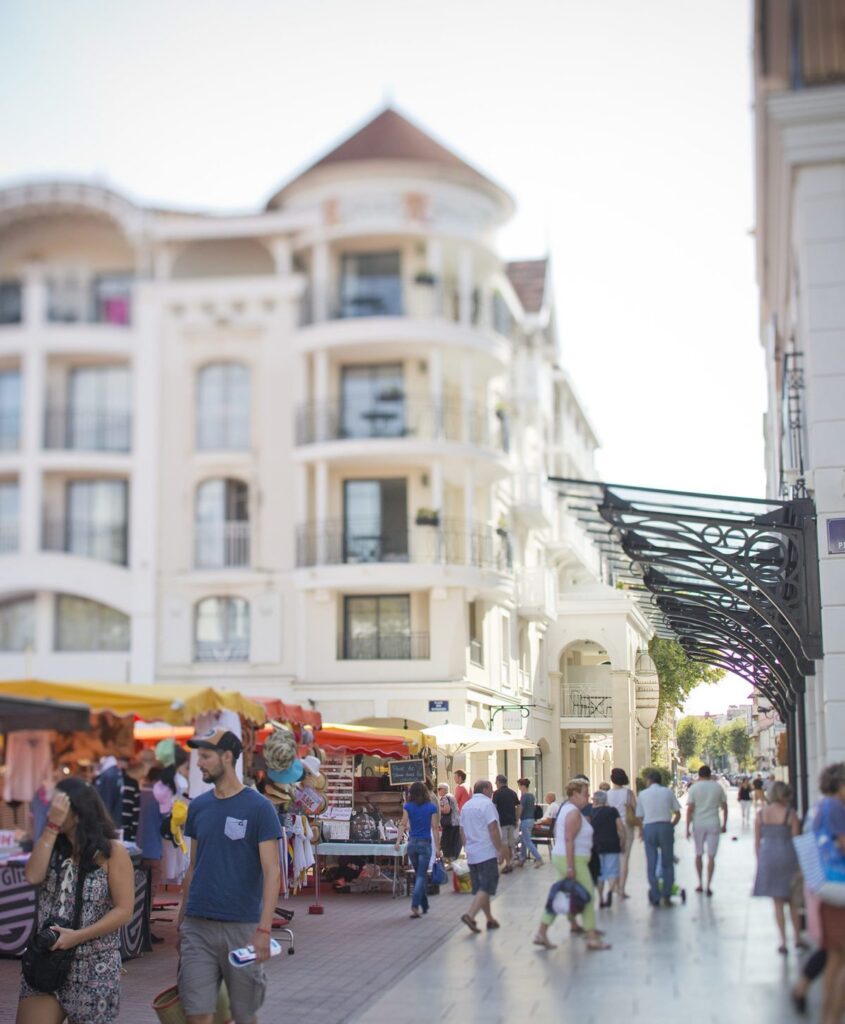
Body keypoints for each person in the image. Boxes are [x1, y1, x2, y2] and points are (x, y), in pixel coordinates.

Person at [177, 728, 282, 1024]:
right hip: (198, 926)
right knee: (197, 1013)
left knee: (244, 1014)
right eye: (199, 756)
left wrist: (263, 930)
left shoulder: (259, 808)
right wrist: (182, 918)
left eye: (205, 756)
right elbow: (194, 866)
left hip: (243, 929)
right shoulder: (198, 807)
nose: (199, 763)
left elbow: (272, 872)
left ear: (227, 757)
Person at [16, 777, 134, 1024]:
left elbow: (124, 910)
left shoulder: (112, 852)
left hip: (95, 966)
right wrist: (51, 827)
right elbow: (33, 875)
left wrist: (78, 936)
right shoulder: (51, 845)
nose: (52, 810)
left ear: (79, 813)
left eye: (59, 806)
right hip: (46, 959)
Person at [533, 778, 609, 951]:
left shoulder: (569, 809)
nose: (588, 797)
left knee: (560, 895)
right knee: (588, 894)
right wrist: (570, 866)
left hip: (569, 857)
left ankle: (541, 931)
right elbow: (568, 838)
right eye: (585, 793)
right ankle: (591, 937)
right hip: (573, 858)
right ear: (575, 794)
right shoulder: (573, 812)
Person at [752, 780, 804, 955]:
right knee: (793, 901)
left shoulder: (761, 814)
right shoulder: (790, 814)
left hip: (769, 855)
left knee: (777, 902)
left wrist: (760, 861)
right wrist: (800, 866)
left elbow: (757, 843)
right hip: (787, 855)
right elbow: (797, 840)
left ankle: (783, 941)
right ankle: (797, 938)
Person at [812, 762, 845, 1024]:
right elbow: (843, 844)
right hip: (840, 883)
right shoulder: (835, 807)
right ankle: (832, 1015)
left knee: (835, 957)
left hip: (828, 885)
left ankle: (828, 1017)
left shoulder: (822, 806)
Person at [459, 780, 506, 932]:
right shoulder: (487, 804)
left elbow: (462, 830)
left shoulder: (466, 806)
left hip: (473, 852)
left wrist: (467, 847)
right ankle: (470, 915)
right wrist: (499, 849)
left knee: (481, 888)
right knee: (487, 885)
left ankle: (490, 919)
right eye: (491, 789)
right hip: (486, 851)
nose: (493, 792)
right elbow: (492, 828)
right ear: (485, 789)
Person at [635, 769, 681, 907]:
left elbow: (639, 817)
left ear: (649, 781)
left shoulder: (642, 794)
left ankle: (655, 894)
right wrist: (671, 825)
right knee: (667, 863)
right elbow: (678, 813)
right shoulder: (668, 792)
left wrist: (642, 831)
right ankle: (666, 895)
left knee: (652, 863)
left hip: (649, 828)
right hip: (665, 826)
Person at [396, 782, 441, 918]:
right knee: (421, 875)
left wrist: (398, 841)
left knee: (418, 874)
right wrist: (438, 848)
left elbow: (403, 824)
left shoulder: (407, 806)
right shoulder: (431, 807)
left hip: (412, 845)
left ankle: (424, 904)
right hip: (425, 844)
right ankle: (415, 905)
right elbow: (434, 828)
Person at [685, 764, 728, 896]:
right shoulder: (717, 787)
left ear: (699, 774)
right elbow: (725, 806)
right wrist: (724, 824)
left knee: (698, 854)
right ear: (710, 774)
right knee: (711, 856)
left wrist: (687, 827)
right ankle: (708, 885)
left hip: (698, 824)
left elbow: (690, 809)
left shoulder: (694, 788)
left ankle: (700, 883)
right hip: (714, 822)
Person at [591, 789, 625, 908]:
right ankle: (610, 891)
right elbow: (620, 827)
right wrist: (622, 840)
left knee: (599, 873)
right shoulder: (612, 811)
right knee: (612, 871)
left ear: (595, 800)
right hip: (612, 845)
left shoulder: (591, 812)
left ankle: (601, 898)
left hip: (596, 847)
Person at [606, 767, 637, 898]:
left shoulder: (607, 794)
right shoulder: (628, 793)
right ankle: (621, 889)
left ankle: (613, 885)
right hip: (626, 827)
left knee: (613, 858)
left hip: (612, 828)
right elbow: (636, 809)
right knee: (624, 859)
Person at [492, 774, 520, 872]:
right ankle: (510, 861)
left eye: (496, 782)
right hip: (512, 821)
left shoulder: (497, 793)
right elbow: (519, 806)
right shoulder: (512, 793)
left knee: (504, 843)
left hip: (502, 822)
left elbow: (493, 807)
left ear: (499, 782)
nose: (495, 784)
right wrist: (517, 818)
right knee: (510, 843)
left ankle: (507, 864)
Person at [516, 778, 543, 868]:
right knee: (524, 840)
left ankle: (539, 858)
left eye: (519, 785)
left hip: (525, 820)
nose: (519, 788)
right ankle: (522, 858)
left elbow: (521, 808)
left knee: (527, 841)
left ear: (523, 786)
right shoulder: (532, 796)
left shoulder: (524, 796)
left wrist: (517, 818)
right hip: (531, 820)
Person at [437, 784, 461, 866]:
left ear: (444, 789)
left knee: (447, 843)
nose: (438, 791)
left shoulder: (444, 797)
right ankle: (453, 863)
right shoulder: (451, 796)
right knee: (453, 843)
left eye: (439, 789)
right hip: (456, 822)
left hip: (450, 823)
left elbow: (447, 810)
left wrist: (438, 808)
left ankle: (450, 863)